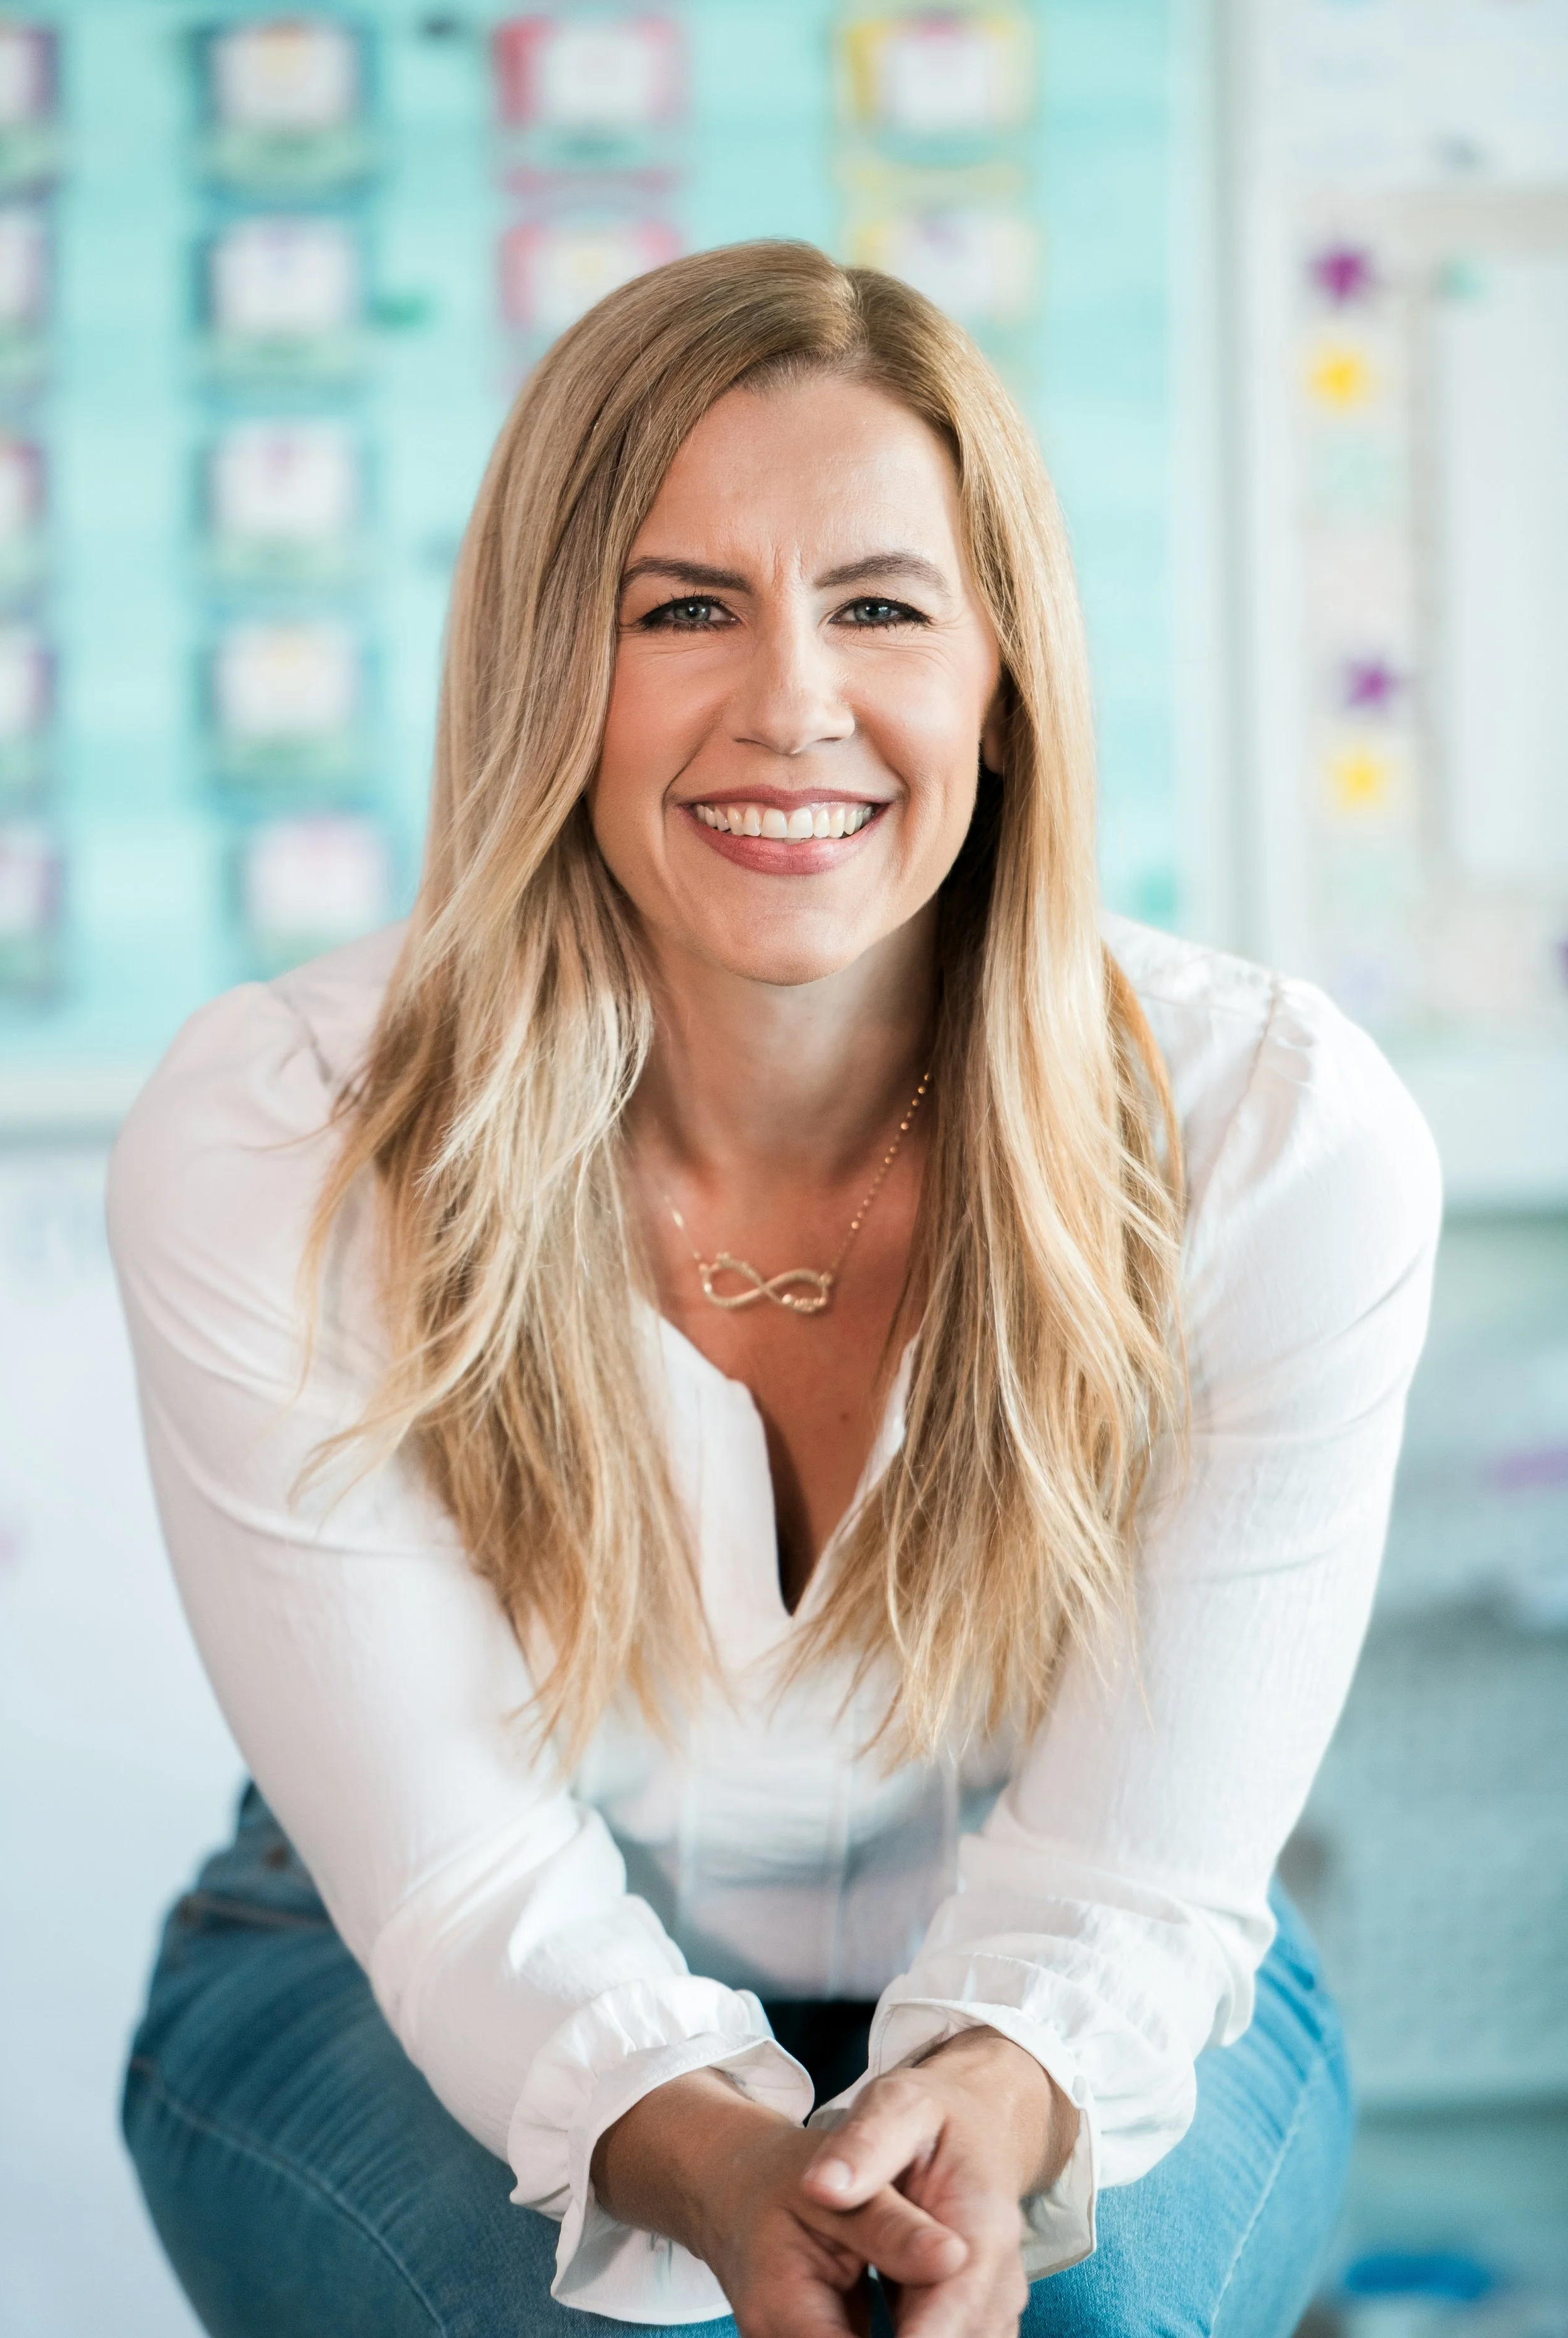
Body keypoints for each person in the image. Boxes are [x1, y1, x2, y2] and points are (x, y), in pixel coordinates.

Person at [110, 241, 1439, 2338]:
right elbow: (459, 1876)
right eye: (683, 608)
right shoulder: (283, 1129)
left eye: (881, 606)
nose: (794, 700)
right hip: (409, 1951)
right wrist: (728, 2166)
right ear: (554, 666)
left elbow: (1128, 1876)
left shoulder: (1270, 1137)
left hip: (1087, 1962)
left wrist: (986, 2108)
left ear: (1000, 679)